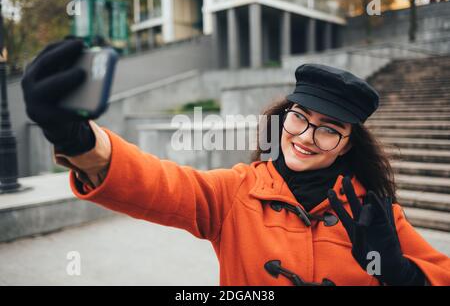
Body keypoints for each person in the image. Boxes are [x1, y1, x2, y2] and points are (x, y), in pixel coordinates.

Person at [21, 39, 450, 286]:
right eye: (299, 118)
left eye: (328, 129)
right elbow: (157, 183)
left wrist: (400, 273)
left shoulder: (377, 213)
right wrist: (77, 140)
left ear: (345, 144)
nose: (303, 137)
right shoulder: (237, 192)